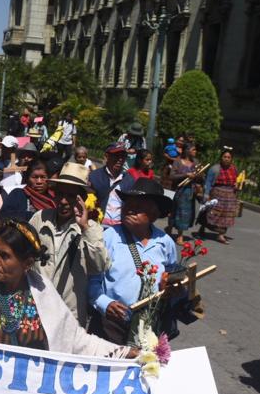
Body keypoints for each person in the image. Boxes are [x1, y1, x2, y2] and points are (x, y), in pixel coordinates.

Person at [0, 219, 132, 359]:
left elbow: (77, 340)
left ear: (27, 263)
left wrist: (125, 353)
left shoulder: (44, 294)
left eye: (5, 256)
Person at [89, 178, 179, 345]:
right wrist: (105, 303)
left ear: (153, 214)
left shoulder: (165, 242)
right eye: (127, 205)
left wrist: (171, 287)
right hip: (111, 323)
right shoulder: (107, 237)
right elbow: (92, 279)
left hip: (149, 326)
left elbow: (173, 277)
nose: (129, 210)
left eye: (138, 208)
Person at [29, 162, 108, 327]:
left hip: (68, 314)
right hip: (35, 307)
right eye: (60, 194)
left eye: (71, 196)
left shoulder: (91, 228)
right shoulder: (39, 218)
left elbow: (99, 266)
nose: (64, 201)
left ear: (83, 199)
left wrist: (84, 227)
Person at [89, 142, 135, 227]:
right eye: (116, 155)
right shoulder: (94, 177)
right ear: (107, 156)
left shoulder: (130, 180)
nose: (120, 159)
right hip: (96, 225)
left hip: (119, 229)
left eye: (123, 156)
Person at [200, 148, 239, 244]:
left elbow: (236, 181)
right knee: (211, 213)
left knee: (226, 216)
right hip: (217, 194)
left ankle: (221, 235)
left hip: (230, 196)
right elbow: (208, 182)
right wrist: (206, 195)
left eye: (229, 157)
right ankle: (202, 227)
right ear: (221, 158)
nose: (226, 159)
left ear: (231, 159)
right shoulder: (215, 169)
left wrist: (237, 186)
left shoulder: (234, 169)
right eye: (225, 157)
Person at [167, 143, 200, 245]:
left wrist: (198, 176)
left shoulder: (196, 162)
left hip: (190, 192)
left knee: (185, 214)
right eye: (193, 150)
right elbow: (172, 176)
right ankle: (170, 229)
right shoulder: (177, 161)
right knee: (174, 212)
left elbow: (200, 176)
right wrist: (186, 175)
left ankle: (180, 236)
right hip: (179, 191)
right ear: (187, 151)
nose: (195, 152)